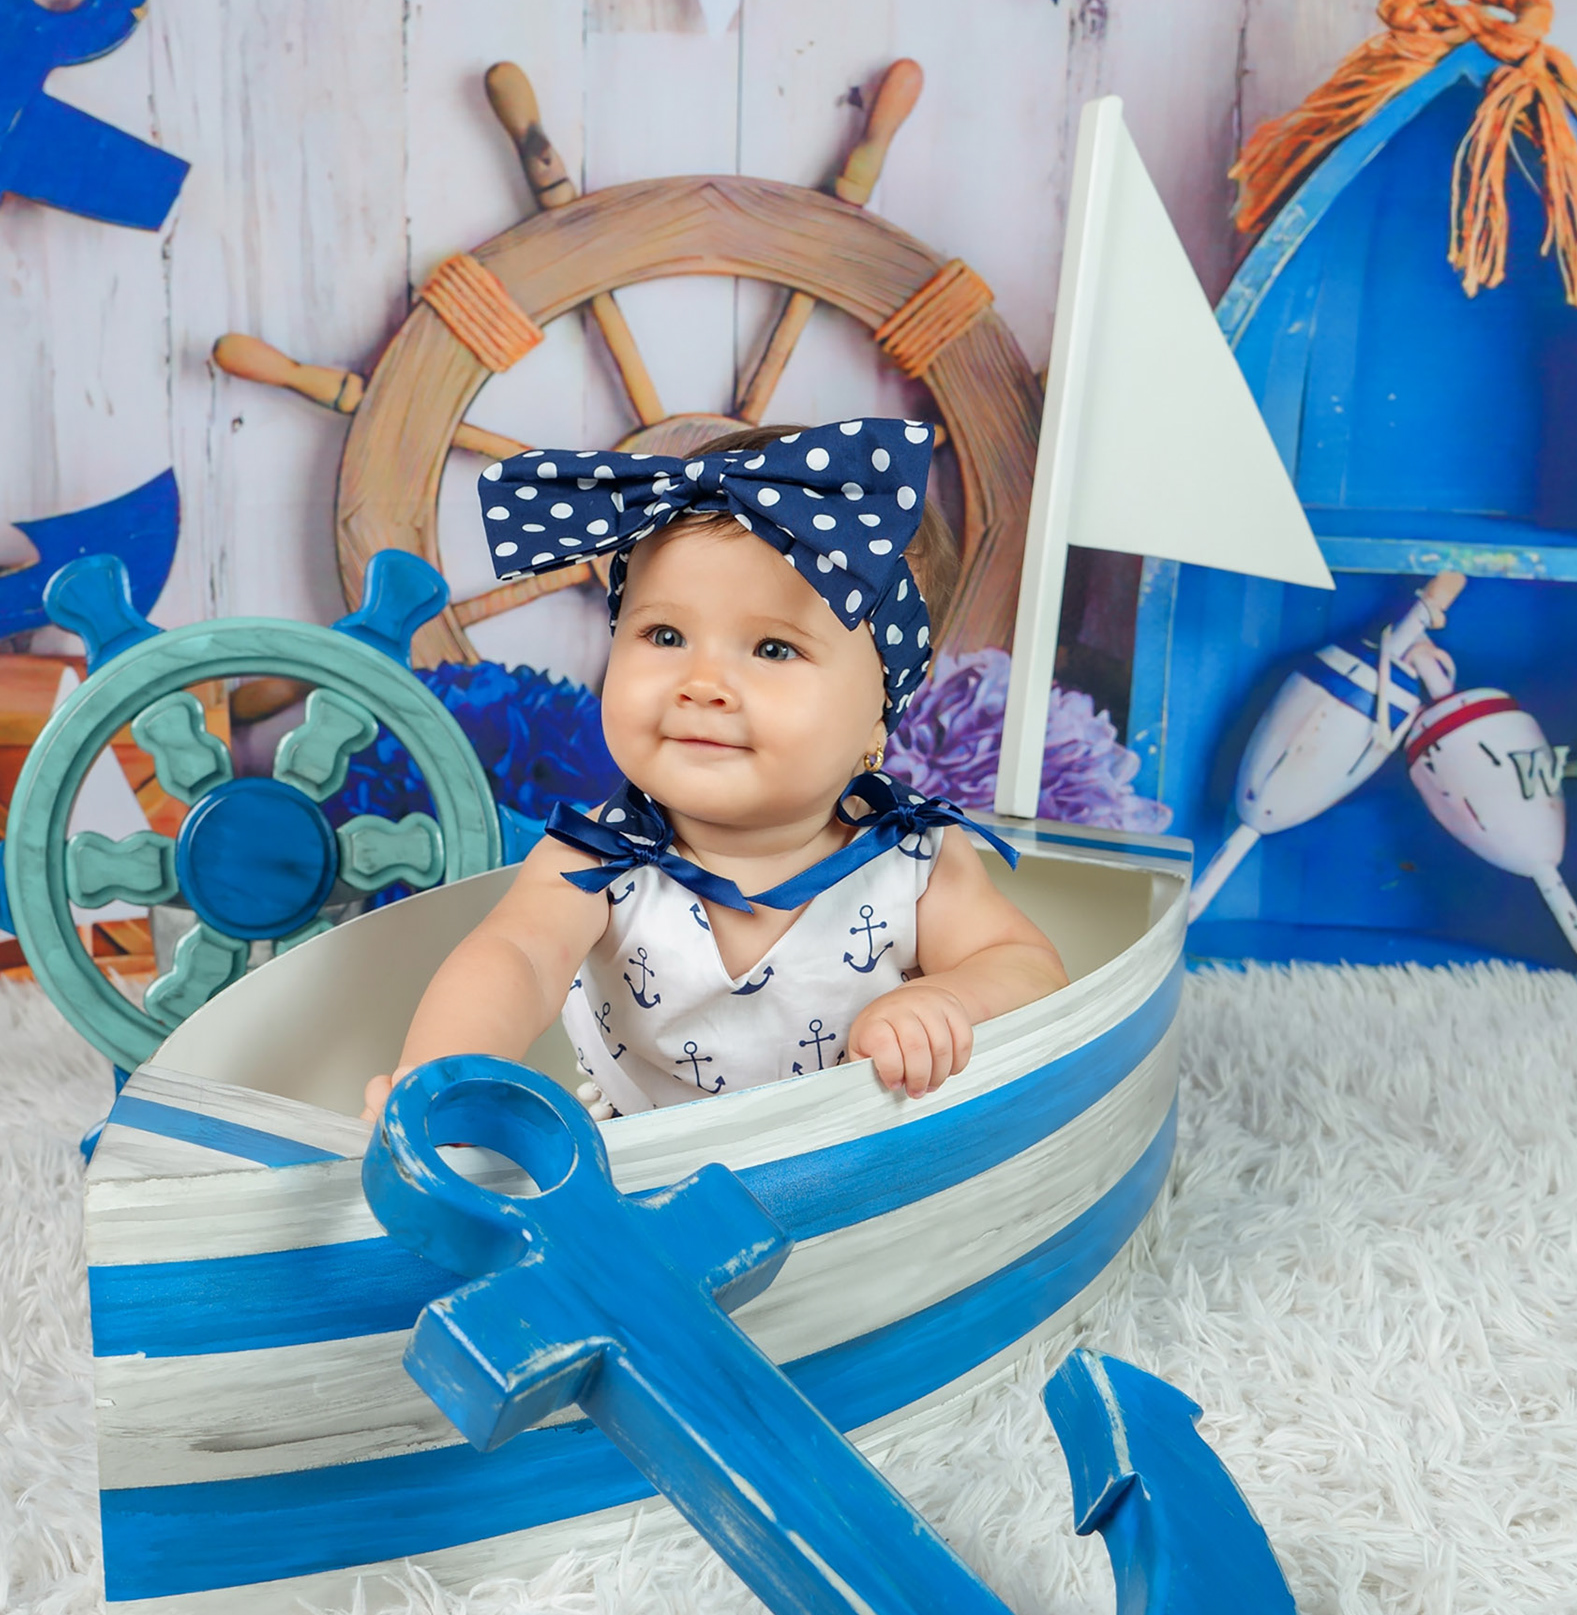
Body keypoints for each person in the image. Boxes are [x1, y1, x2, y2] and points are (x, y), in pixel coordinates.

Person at [366, 416, 1067, 1119]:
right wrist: (445, 1073)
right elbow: (514, 958)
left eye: (773, 649)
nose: (702, 684)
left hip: (863, 1156)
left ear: (880, 714)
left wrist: (946, 999)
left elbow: (1028, 967)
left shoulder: (909, 860)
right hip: (646, 1166)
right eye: (665, 634)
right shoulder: (595, 859)